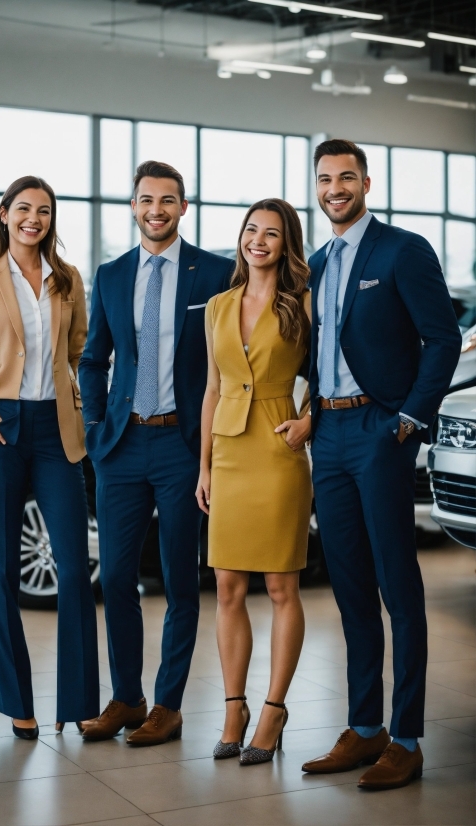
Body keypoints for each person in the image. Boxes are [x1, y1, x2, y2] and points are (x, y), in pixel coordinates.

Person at [301, 140, 462, 789]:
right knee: (348, 585)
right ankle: (364, 728)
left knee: (398, 585)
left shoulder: (403, 249)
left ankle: (407, 736)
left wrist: (409, 419)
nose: (336, 188)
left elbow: (443, 337)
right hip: (329, 432)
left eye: (346, 177)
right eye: (325, 179)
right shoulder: (313, 264)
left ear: (366, 181)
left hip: (378, 429)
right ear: (316, 187)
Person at [0, 175, 100, 739]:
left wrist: (82, 405)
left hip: (57, 429)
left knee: (76, 569)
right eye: (24, 209)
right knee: (2, 569)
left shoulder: (67, 280)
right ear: (4, 213)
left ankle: (79, 701)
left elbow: (77, 351)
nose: (35, 218)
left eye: (45, 211)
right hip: (0, 426)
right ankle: (18, 702)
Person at [78, 160, 234, 746]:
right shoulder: (113, 275)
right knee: (115, 575)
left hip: (181, 444)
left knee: (179, 578)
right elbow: (93, 359)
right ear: (134, 205)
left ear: (183, 207)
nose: (157, 210)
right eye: (147, 200)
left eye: (168, 200)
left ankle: (167, 703)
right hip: (121, 444)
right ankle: (126, 696)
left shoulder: (215, 272)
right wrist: (97, 426)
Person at [196, 199, 312, 766]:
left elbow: (337, 368)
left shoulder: (303, 303)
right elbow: (212, 389)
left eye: (270, 233)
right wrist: (204, 466)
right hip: (229, 450)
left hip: (278, 447)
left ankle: (273, 710)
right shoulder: (217, 305)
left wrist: (310, 419)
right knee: (226, 587)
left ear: (286, 242)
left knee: (281, 588)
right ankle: (233, 708)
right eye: (250, 230)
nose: (257, 241)